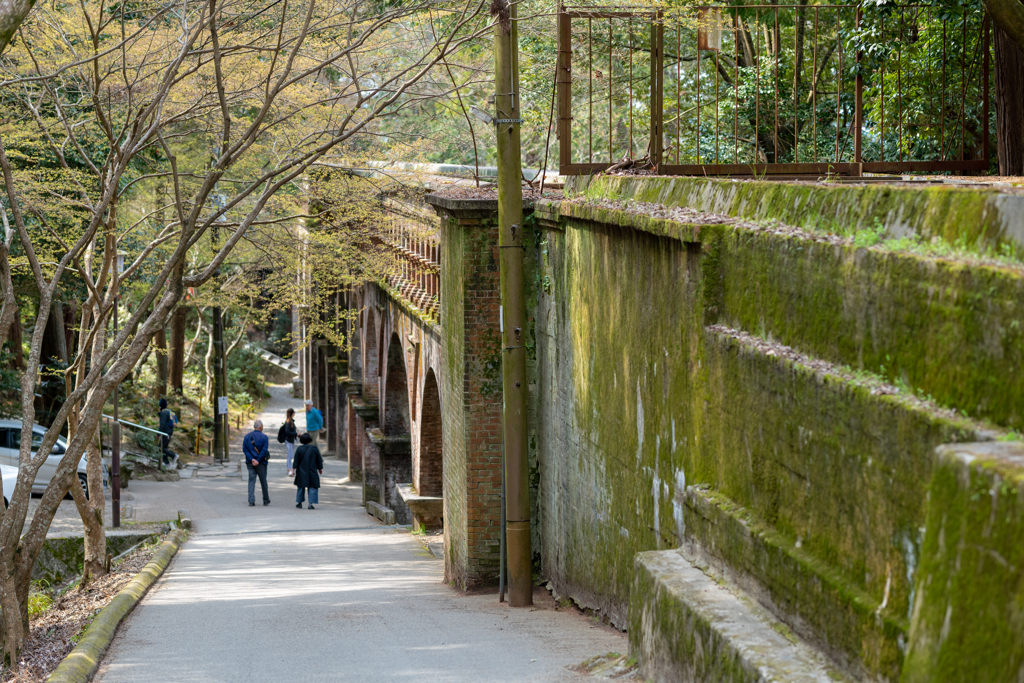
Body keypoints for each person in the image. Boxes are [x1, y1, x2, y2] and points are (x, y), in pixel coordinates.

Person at [243, 420, 270, 507]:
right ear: (261, 426)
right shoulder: (264, 437)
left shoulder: (247, 436)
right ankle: (265, 499)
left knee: (251, 481)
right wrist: (258, 460)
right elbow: (264, 450)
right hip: (261, 463)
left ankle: (251, 500)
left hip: (250, 463)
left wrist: (252, 459)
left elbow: (245, 449)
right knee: (263, 481)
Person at [293, 432, 323, 509]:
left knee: (300, 487)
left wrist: (293, 470)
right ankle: (310, 504)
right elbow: (319, 460)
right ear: (310, 440)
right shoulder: (314, 449)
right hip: (312, 471)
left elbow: (296, 461)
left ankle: (299, 502)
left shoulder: (299, 449)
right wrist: (320, 468)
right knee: (312, 487)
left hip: (301, 471)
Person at [158, 398, 178, 467]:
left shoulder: (164, 412)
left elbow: (162, 424)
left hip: (165, 432)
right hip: (169, 431)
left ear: (160, 405)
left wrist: (158, 434)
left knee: (161, 447)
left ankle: (173, 456)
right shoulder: (168, 411)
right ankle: (166, 462)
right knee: (164, 447)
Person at [281, 408, 298, 475]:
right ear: (292, 414)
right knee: (290, 455)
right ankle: (289, 468)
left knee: (291, 454)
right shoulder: (288, 422)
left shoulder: (291, 421)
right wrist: (296, 434)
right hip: (289, 440)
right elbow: (287, 432)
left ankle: (289, 468)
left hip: (291, 440)